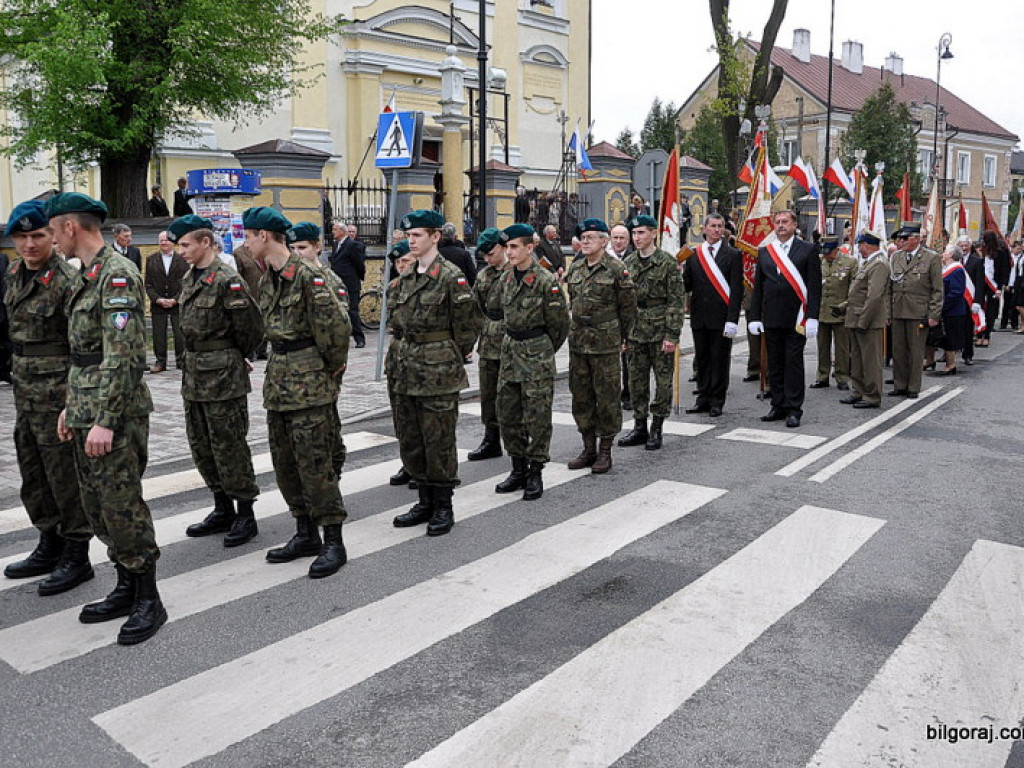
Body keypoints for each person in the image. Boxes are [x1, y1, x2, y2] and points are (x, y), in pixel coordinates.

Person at [49, 192, 165, 645]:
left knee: (122, 506)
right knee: (98, 507)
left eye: (54, 229)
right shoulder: (87, 276)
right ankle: (124, 585)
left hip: (113, 413)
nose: (52, 238)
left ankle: (148, 598)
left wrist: (106, 419)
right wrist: (72, 408)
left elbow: (124, 356)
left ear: (70, 228)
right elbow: (84, 357)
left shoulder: (116, 276)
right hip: (87, 407)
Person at [248, 206, 351, 578]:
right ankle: (304, 532)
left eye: (248, 235)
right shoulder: (268, 280)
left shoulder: (309, 276)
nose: (245, 243)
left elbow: (336, 332)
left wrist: (329, 376)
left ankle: (333, 540)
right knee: (286, 463)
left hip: (310, 385)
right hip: (279, 383)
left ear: (264, 236)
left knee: (316, 463)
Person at [2, 201, 94, 596]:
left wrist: (73, 402)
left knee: (64, 477)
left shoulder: (67, 281)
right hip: (25, 392)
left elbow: (83, 347)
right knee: (33, 473)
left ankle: (77, 554)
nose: (28, 244)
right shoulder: (15, 275)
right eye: (20, 237)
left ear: (51, 237)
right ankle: (49, 541)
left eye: (37, 235)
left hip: (58, 394)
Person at [171, 214, 264, 547]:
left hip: (223, 374)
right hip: (194, 373)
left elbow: (252, 327)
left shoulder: (227, 279)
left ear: (205, 242)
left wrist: (235, 354)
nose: (179, 250)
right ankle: (221, 507)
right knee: (202, 445)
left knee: (229, 445)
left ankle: (245, 513)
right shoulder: (190, 278)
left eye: (185, 244)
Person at [387, 210, 480, 536]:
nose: (411, 241)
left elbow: (467, 328)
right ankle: (424, 500)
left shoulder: (450, 276)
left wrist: (445, 355)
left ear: (435, 237)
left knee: (438, 439)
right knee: (411, 438)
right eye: (409, 236)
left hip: (437, 370)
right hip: (404, 368)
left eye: (417, 235)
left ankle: (443, 504)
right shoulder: (407, 275)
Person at [493, 223, 569, 499]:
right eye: (507, 247)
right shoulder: (506, 279)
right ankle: (517, 468)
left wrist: (542, 349)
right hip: (511, 352)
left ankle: (535, 471)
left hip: (536, 354)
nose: (509, 252)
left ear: (529, 247)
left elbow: (560, 326)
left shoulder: (545, 281)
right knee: (508, 413)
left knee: (537, 416)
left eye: (514, 247)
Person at [565, 218, 637, 473]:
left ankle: (605, 450)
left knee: (607, 397)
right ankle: (588, 447)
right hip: (579, 341)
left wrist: (625, 338)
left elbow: (627, 307)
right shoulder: (575, 269)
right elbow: (572, 301)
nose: (585, 242)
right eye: (583, 238)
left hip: (605, 342)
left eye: (591, 238)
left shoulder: (616, 270)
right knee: (581, 396)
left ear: (604, 242)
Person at [748, 209, 822, 429]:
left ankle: (793, 409)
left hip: (796, 318)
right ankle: (777, 404)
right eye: (778, 222)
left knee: (793, 364)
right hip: (771, 317)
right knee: (775, 364)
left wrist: (813, 317)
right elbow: (758, 288)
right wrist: (754, 316)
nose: (781, 225)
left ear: (794, 225)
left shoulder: (808, 250)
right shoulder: (765, 252)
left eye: (785, 222)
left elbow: (814, 287)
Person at [619, 214, 684, 448]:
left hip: (659, 330)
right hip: (635, 330)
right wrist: (623, 335)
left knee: (663, 381)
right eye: (634, 234)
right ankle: (639, 426)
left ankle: (657, 427)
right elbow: (624, 302)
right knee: (636, 381)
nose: (637, 238)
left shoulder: (667, 263)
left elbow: (676, 301)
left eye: (641, 233)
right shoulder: (628, 263)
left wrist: (672, 335)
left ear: (653, 233)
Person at [683, 213, 744, 417]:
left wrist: (732, 320)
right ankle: (703, 397)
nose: (717, 230)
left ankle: (717, 400)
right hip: (700, 316)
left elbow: (736, 290)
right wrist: (678, 272)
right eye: (713, 226)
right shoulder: (694, 255)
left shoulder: (733, 255)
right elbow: (687, 285)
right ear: (705, 229)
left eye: (720, 226)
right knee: (702, 359)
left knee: (719, 359)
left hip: (722, 316)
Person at [468, 228, 509, 462]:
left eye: (491, 253)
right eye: (484, 255)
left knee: (513, 397)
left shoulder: (516, 272)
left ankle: (521, 445)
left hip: (514, 344)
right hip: (488, 343)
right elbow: (475, 311)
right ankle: (491, 439)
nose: (487, 259)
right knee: (488, 394)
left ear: (503, 248)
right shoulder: (484, 276)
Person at [888, 222, 942, 398]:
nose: (901, 241)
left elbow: (937, 289)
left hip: (918, 311)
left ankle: (913, 386)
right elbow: (890, 286)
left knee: (916, 351)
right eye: (900, 238)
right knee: (898, 350)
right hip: (898, 309)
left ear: (916, 239)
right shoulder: (896, 257)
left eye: (905, 238)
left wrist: (934, 315)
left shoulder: (931, 258)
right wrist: (888, 312)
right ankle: (900, 384)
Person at [383, 240, 420, 490]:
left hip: (420, 355)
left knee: (420, 417)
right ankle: (408, 463)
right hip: (397, 356)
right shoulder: (393, 287)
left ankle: (423, 468)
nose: (401, 266)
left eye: (405, 260)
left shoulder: (425, 285)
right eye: (397, 262)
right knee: (401, 416)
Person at [841, 232, 891, 409]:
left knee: (870, 360)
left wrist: (863, 321)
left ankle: (872, 395)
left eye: (860, 245)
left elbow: (874, 297)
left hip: (868, 320)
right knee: (856, 359)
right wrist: (843, 306)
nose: (859, 249)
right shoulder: (869, 263)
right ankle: (858, 391)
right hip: (856, 317)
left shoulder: (879, 265)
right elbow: (860, 292)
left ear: (868, 245)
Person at [810, 238, 858, 390]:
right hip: (822, 310)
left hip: (840, 311)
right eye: (824, 253)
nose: (826, 256)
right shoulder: (818, 261)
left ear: (837, 250)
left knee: (842, 348)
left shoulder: (850, 262)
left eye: (829, 252)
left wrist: (846, 306)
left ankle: (841, 376)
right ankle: (822, 376)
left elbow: (855, 288)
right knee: (822, 346)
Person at [144, 230, 188, 373]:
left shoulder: (182, 259)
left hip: (177, 303)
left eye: (166, 240)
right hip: (158, 303)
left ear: (172, 242)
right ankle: (160, 362)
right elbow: (148, 284)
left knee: (179, 333)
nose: (164, 243)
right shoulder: (151, 259)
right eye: (161, 240)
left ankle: (181, 360)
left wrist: (176, 299)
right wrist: (157, 299)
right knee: (158, 335)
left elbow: (187, 283)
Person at [924, 244, 969, 376]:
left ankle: (950, 365)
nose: (943, 253)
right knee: (934, 336)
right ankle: (930, 360)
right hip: (943, 309)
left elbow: (956, 292)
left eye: (945, 252)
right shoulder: (946, 268)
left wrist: (942, 306)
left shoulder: (957, 270)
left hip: (952, 311)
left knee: (950, 338)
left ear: (950, 255)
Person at [329, 220, 367, 349]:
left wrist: (358, 278)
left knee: (352, 311)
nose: (333, 232)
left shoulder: (352, 245)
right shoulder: (336, 244)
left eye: (334, 230)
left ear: (341, 231)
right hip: (337, 284)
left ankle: (359, 338)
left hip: (350, 284)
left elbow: (359, 264)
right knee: (337, 311)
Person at [978, 229, 1011, 346]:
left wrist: (1000, 287)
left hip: (994, 286)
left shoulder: (1000, 253)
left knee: (990, 312)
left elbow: (1004, 271)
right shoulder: (980, 252)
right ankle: (979, 334)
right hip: (981, 285)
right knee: (979, 309)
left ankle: (987, 335)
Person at [956, 234, 983, 366]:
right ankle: (949, 354)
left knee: (967, 329)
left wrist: (977, 302)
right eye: (961, 246)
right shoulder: (954, 261)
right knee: (953, 328)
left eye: (966, 245)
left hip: (969, 300)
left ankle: (968, 355)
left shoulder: (976, 261)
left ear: (970, 246)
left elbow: (980, 284)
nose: (964, 248)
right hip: (955, 300)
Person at [439, 221, 477, 285]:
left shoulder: (437, 253)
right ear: (454, 237)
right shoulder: (464, 254)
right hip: (460, 284)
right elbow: (471, 274)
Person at [1002, 239, 1022, 330]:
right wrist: (1006, 284)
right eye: (1017, 249)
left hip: (1017, 284)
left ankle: (1015, 323)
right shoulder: (1008, 258)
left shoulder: (1021, 258)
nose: (1019, 250)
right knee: (1006, 304)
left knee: (1015, 305)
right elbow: (1005, 271)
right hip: (1008, 283)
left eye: (1020, 249)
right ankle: (1004, 323)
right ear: (1012, 248)